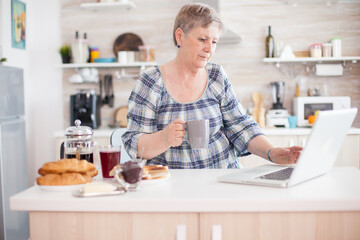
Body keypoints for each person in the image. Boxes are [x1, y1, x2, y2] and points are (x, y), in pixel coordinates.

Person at [122, 3, 302, 168]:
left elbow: (241, 125)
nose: (210, 49)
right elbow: (133, 143)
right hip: (173, 188)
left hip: (223, 178)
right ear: (180, 36)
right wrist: (163, 138)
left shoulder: (216, 75)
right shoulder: (151, 81)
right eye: (202, 39)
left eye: (214, 41)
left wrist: (272, 153)